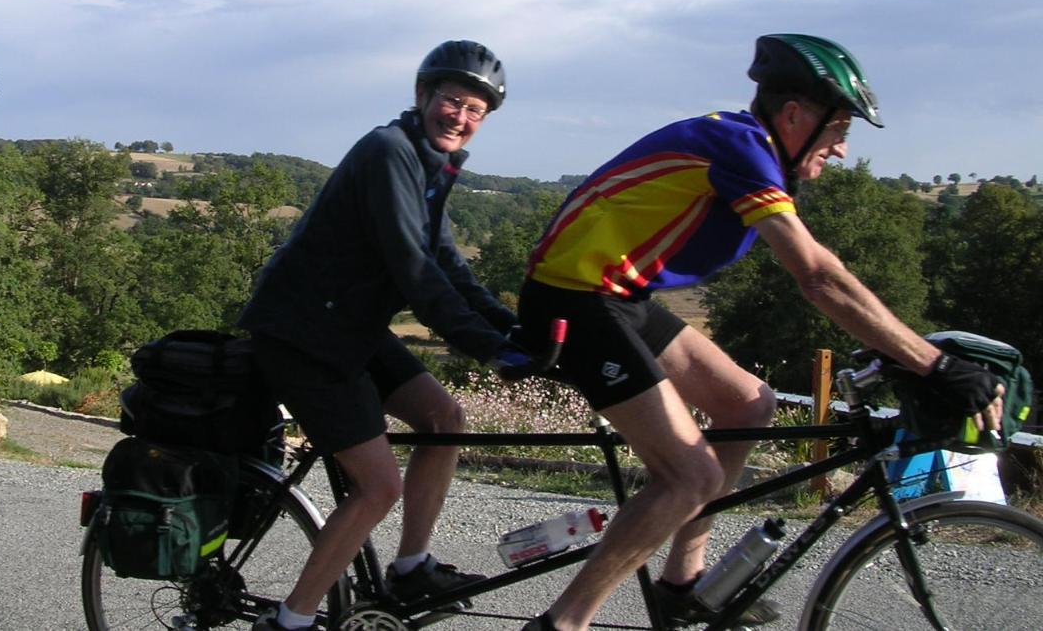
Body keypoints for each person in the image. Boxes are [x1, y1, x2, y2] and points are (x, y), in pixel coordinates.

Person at [513, 33, 1005, 631]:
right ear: (795, 115)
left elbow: (824, 276)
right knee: (689, 475)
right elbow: (819, 276)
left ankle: (681, 584)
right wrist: (934, 363)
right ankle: (564, 622)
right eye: (839, 129)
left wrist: (906, 350)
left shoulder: (750, 149)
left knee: (749, 402)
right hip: (577, 301)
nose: (843, 149)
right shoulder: (741, 145)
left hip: (618, 297)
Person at [239, 40, 527, 631]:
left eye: (476, 111)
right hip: (302, 331)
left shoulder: (430, 164)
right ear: (422, 96)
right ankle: (290, 620)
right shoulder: (388, 151)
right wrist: (490, 349)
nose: (462, 118)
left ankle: (413, 566)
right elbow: (414, 272)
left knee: (444, 419)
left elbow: (449, 265)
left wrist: (516, 332)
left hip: (351, 325)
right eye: (452, 101)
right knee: (377, 487)